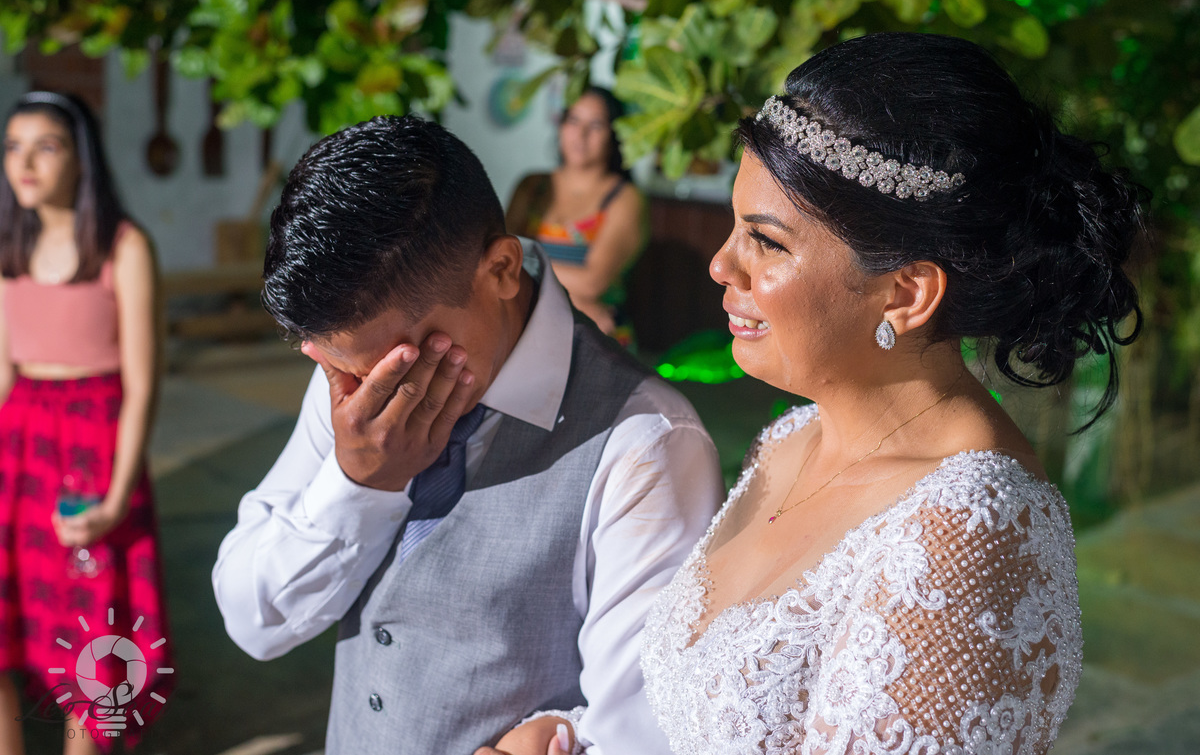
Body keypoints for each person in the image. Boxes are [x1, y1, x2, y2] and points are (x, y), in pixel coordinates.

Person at [638, 33, 1145, 754]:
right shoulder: (792, 440)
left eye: (768, 242)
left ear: (906, 292)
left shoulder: (970, 530)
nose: (722, 263)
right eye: (733, 226)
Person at [211, 115, 723, 755]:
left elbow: (643, 727)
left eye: (407, 358)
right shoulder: (359, 378)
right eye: (351, 368)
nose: (387, 392)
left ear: (503, 269)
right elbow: (254, 620)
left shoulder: (646, 443)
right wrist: (357, 484)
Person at [0, 92, 174, 752]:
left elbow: (143, 383)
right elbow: (2, 377)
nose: (26, 162)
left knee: (93, 652)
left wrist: (116, 495)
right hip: (19, 448)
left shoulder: (124, 246)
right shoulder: (6, 244)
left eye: (46, 146)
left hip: (92, 447)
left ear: (82, 158)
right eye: (14, 146)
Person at [505, 87, 643, 340]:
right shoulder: (532, 186)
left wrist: (522, 264)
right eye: (574, 120)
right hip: (533, 326)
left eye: (596, 125)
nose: (581, 134)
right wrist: (576, 302)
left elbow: (593, 283)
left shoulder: (625, 198)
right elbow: (499, 255)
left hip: (595, 334)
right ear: (561, 126)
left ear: (614, 135)